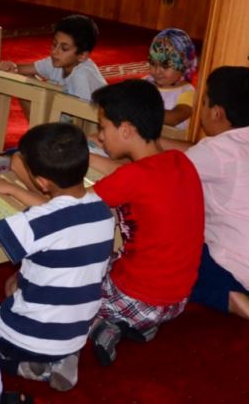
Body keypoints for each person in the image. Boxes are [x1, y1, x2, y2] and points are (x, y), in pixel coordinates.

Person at [0, 123, 115, 391]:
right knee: (14, 284)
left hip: (25, 336)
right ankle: (62, 358)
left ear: (41, 182)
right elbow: (63, 214)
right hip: (75, 334)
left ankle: (25, 368)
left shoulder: (38, 222)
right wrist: (15, 190)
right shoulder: (102, 210)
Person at [163, 67, 249, 327]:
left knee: (169, 253)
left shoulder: (215, 153)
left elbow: (168, 171)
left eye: (203, 102)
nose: (201, 108)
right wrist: (157, 141)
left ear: (216, 112)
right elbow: (195, 153)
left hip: (245, 273)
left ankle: (234, 300)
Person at [86, 80, 203, 367]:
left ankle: (103, 325)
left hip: (139, 297)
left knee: (59, 286)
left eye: (103, 127)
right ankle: (135, 324)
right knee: (111, 259)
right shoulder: (180, 161)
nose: (100, 136)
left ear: (125, 130)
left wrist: (19, 190)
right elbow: (133, 176)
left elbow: (72, 207)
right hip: (177, 300)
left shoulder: (133, 178)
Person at [0, 14, 106, 101]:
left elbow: (82, 119)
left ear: (82, 55)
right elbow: (20, 70)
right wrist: (11, 67)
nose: (54, 52)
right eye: (54, 44)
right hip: (65, 116)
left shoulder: (81, 76)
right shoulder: (55, 61)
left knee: (29, 87)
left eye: (64, 48)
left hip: (88, 124)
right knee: (23, 81)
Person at [144, 28, 198, 130]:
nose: (157, 71)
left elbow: (174, 118)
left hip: (171, 141)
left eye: (165, 66)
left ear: (183, 66)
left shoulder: (187, 92)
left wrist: (138, 110)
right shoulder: (145, 83)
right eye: (153, 63)